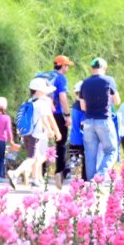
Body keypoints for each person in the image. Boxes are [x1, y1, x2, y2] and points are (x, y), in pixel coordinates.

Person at [7, 78, 61, 188]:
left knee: (35, 157)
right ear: (39, 90)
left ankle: (33, 179)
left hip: (26, 133)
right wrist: (51, 131)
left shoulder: (27, 101)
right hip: (35, 135)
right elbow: (45, 119)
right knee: (31, 157)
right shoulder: (42, 103)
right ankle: (15, 173)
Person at [80, 57, 120, 180]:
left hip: (88, 122)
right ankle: (98, 178)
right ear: (104, 68)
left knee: (90, 155)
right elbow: (117, 101)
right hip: (104, 120)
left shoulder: (85, 83)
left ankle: (91, 186)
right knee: (111, 151)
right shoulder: (109, 80)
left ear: (92, 68)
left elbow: (82, 106)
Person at [46, 55, 75, 189]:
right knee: (61, 143)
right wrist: (67, 115)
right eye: (67, 65)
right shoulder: (61, 78)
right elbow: (63, 97)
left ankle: (40, 173)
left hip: (43, 113)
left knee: (43, 142)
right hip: (57, 114)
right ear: (62, 66)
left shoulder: (46, 76)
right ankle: (59, 172)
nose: (67, 68)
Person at [68, 81, 86, 180]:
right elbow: (83, 124)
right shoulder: (82, 107)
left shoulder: (75, 105)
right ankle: (83, 180)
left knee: (73, 160)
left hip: (73, 138)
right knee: (84, 161)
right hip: (82, 139)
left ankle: (65, 173)